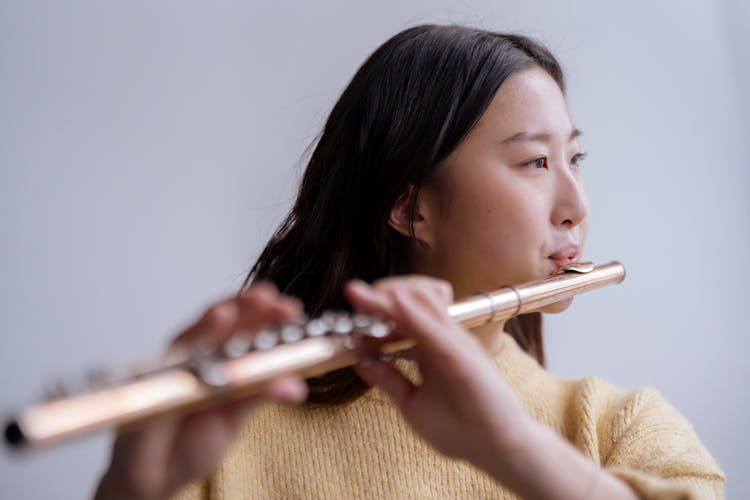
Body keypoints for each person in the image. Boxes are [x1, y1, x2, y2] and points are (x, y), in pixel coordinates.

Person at [94, 24, 725, 499]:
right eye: (536, 161)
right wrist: (128, 492)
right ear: (411, 211)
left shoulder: (619, 429)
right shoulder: (226, 442)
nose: (575, 206)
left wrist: (511, 448)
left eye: (574, 159)